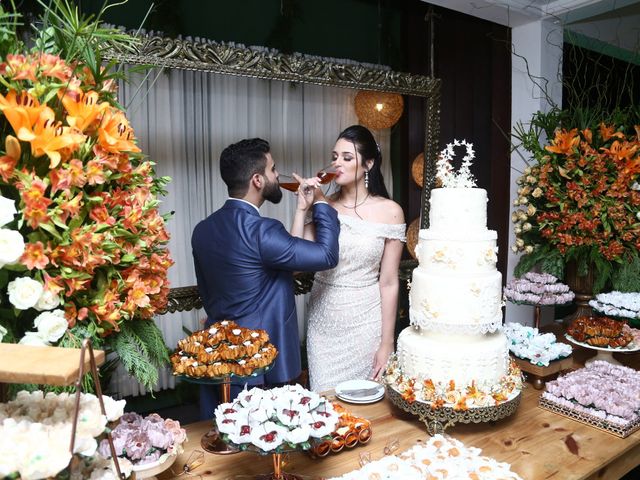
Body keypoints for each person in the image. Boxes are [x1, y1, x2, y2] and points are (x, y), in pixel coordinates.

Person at [191, 138, 340, 419]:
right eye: (273, 170)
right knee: (264, 440)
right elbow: (326, 255)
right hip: (261, 365)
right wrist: (321, 203)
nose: (277, 175)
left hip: (220, 358)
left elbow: (285, 263)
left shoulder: (203, 229)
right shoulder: (262, 230)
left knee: (229, 435)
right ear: (258, 180)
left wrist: (300, 210)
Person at [293, 125, 406, 393]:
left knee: (366, 404)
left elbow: (389, 282)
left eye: (347, 157)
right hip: (324, 323)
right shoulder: (324, 206)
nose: (337, 163)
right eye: (334, 157)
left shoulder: (390, 212)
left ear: (368, 164)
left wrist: (387, 342)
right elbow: (295, 264)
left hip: (365, 323)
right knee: (326, 406)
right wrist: (301, 210)